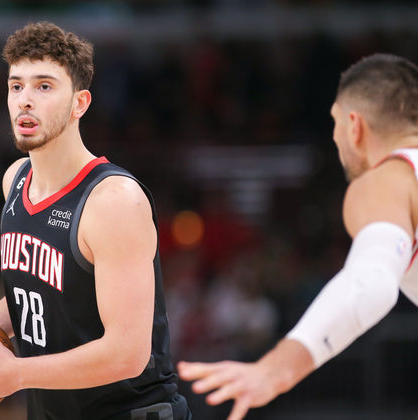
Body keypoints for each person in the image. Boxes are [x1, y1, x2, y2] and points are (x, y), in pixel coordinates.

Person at [0, 22, 191, 420]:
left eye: (44, 86)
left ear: (80, 103)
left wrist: (15, 375)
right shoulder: (15, 179)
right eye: (16, 86)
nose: (25, 100)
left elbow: (128, 354)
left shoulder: (113, 202)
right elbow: (49, 292)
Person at [178, 53, 418, 420]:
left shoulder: (388, 178)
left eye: (334, 124)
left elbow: (372, 284)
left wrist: (277, 368)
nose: (336, 139)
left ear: (354, 126)